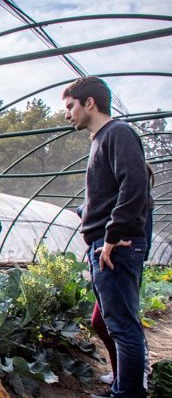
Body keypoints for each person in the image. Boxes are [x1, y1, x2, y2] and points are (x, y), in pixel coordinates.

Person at [63, 76, 149, 398]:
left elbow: (135, 185)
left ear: (89, 103)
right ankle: (123, 386)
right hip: (104, 243)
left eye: (70, 106)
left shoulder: (117, 133)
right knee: (112, 323)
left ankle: (127, 394)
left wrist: (113, 235)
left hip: (115, 246)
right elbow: (113, 190)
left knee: (123, 326)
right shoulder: (100, 140)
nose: (67, 114)